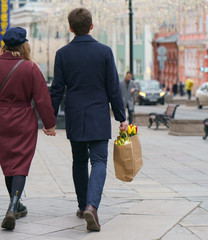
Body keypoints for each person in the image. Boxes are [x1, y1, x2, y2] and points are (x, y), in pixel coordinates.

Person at [49, 8, 128, 232]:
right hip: (98, 115)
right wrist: (122, 118)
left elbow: (56, 90)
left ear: (71, 28)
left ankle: (83, 204)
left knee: (79, 161)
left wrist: (49, 119)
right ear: (91, 26)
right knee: (100, 161)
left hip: (75, 115)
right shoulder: (104, 52)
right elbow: (113, 88)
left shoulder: (63, 54)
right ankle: (92, 206)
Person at [0, 27, 56, 230]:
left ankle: (15, 205)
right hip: (24, 117)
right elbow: (41, 98)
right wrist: (49, 123)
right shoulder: (30, 67)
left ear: (4, 45)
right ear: (24, 45)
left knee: (8, 161)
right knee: (21, 161)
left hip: (2, 117)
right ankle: (14, 206)